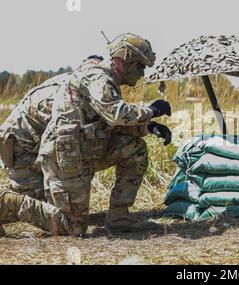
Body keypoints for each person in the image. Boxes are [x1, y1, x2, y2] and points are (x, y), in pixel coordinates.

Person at [0, 33, 172, 237]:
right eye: (139, 66)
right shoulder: (97, 77)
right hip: (44, 151)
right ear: (122, 60)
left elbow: (101, 122)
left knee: (134, 148)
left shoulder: (101, 81)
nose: (142, 74)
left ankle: (119, 218)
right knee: (68, 224)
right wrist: (151, 111)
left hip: (73, 149)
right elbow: (114, 113)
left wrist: (147, 128)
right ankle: (5, 201)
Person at [0, 74, 70, 200]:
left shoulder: (70, 81)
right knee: (33, 206)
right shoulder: (69, 92)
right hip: (17, 149)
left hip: (30, 144)